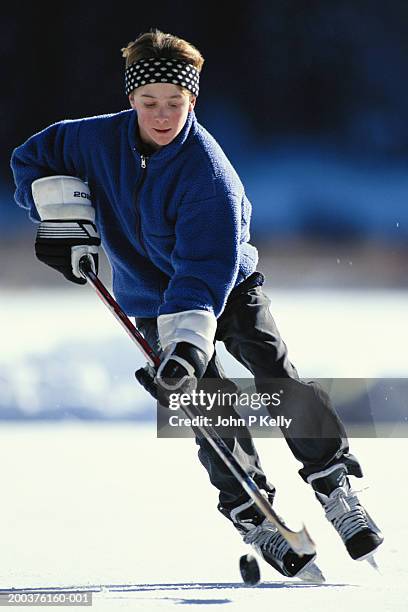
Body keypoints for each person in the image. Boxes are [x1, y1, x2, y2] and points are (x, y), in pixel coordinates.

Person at [10, 28, 383, 581]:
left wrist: (184, 348)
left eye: (175, 104)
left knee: (274, 373)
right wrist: (64, 220)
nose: (162, 115)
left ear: (194, 100)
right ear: (130, 100)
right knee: (208, 403)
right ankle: (251, 511)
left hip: (226, 287)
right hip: (150, 297)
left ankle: (333, 480)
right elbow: (31, 159)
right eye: (149, 103)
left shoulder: (209, 176)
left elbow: (203, 273)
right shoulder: (92, 140)